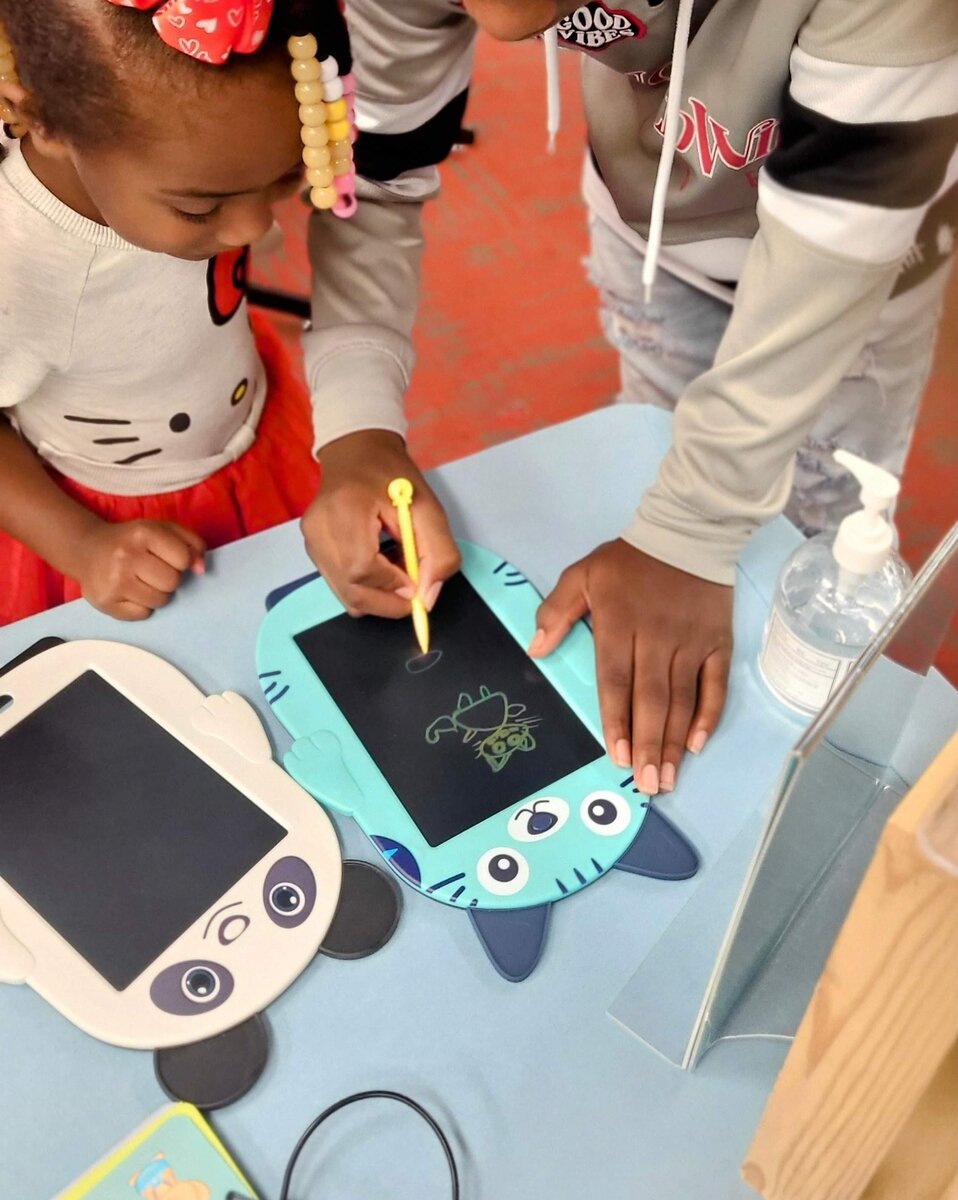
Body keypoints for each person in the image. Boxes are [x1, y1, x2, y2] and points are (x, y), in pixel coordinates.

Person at [302, 0, 958, 794]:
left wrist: (690, 530)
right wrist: (357, 424)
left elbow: (834, 257)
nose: (494, 20)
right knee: (657, 441)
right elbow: (373, 174)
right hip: (652, 227)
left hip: (853, 282)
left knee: (807, 539)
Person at [0, 0, 358, 623]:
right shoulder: (20, 266)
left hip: (255, 436)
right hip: (112, 523)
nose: (254, 226)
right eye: (200, 209)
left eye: (282, 179)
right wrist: (82, 546)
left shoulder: (180, 159)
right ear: (41, 119)